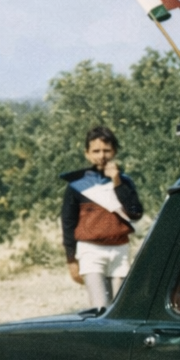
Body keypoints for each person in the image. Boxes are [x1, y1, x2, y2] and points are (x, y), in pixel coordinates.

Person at [60, 125, 143, 310]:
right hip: (91, 250)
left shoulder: (124, 181)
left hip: (120, 250)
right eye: (96, 151)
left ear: (114, 151)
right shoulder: (78, 185)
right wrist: (71, 260)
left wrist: (117, 182)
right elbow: (68, 223)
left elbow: (135, 212)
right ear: (87, 154)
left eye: (106, 150)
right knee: (100, 308)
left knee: (121, 308)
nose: (102, 156)